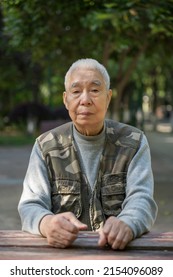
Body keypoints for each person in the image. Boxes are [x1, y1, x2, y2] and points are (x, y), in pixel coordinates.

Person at [18, 58, 158, 250]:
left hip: (117, 255)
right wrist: (46, 223)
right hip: (63, 258)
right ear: (66, 100)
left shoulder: (133, 141)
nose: (85, 100)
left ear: (108, 97)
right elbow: (30, 204)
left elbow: (141, 198)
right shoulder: (46, 146)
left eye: (94, 90)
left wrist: (128, 222)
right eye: (76, 92)